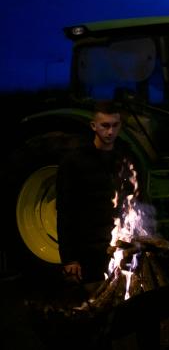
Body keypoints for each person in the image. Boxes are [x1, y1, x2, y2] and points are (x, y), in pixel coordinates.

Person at [56, 100, 130, 285]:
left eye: (115, 125)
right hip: (87, 250)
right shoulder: (74, 162)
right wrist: (70, 258)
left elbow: (131, 202)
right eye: (105, 126)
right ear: (93, 126)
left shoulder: (123, 159)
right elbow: (65, 211)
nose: (110, 132)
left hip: (116, 245)